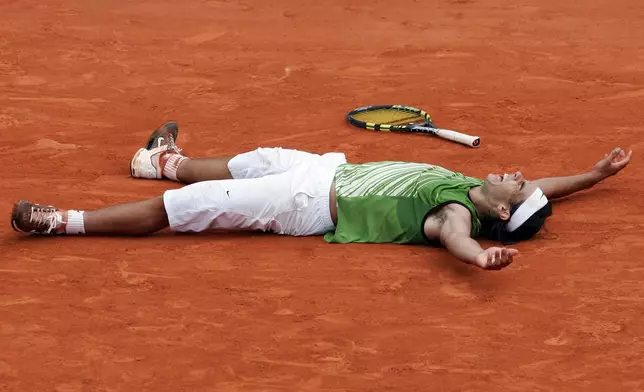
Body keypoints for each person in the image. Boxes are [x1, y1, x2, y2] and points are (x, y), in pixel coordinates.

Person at [10, 122, 632, 270]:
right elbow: (544, 192)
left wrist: (481, 258)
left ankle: (61, 221)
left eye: (516, 184)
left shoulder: (455, 213)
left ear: (498, 210)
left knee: (185, 214)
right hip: (326, 168)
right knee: (251, 158)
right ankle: (160, 161)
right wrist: (596, 175)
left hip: (302, 206)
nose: (519, 172)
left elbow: (456, 239)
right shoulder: (487, 193)